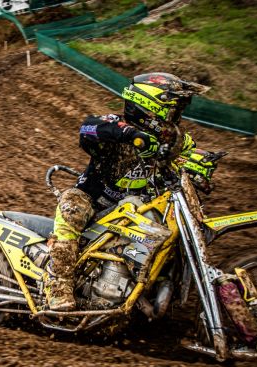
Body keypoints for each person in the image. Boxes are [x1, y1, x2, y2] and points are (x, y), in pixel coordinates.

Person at [46, 72, 210, 311]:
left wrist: (202, 164)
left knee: (168, 230)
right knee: (70, 212)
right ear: (150, 106)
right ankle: (58, 285)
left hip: (136, 205)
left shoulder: (172, 138)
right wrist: (132, 135)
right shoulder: (115, 123)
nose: (176, 115)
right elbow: (88, 128)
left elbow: (189, 151)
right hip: (92, 197)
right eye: (172, 109)